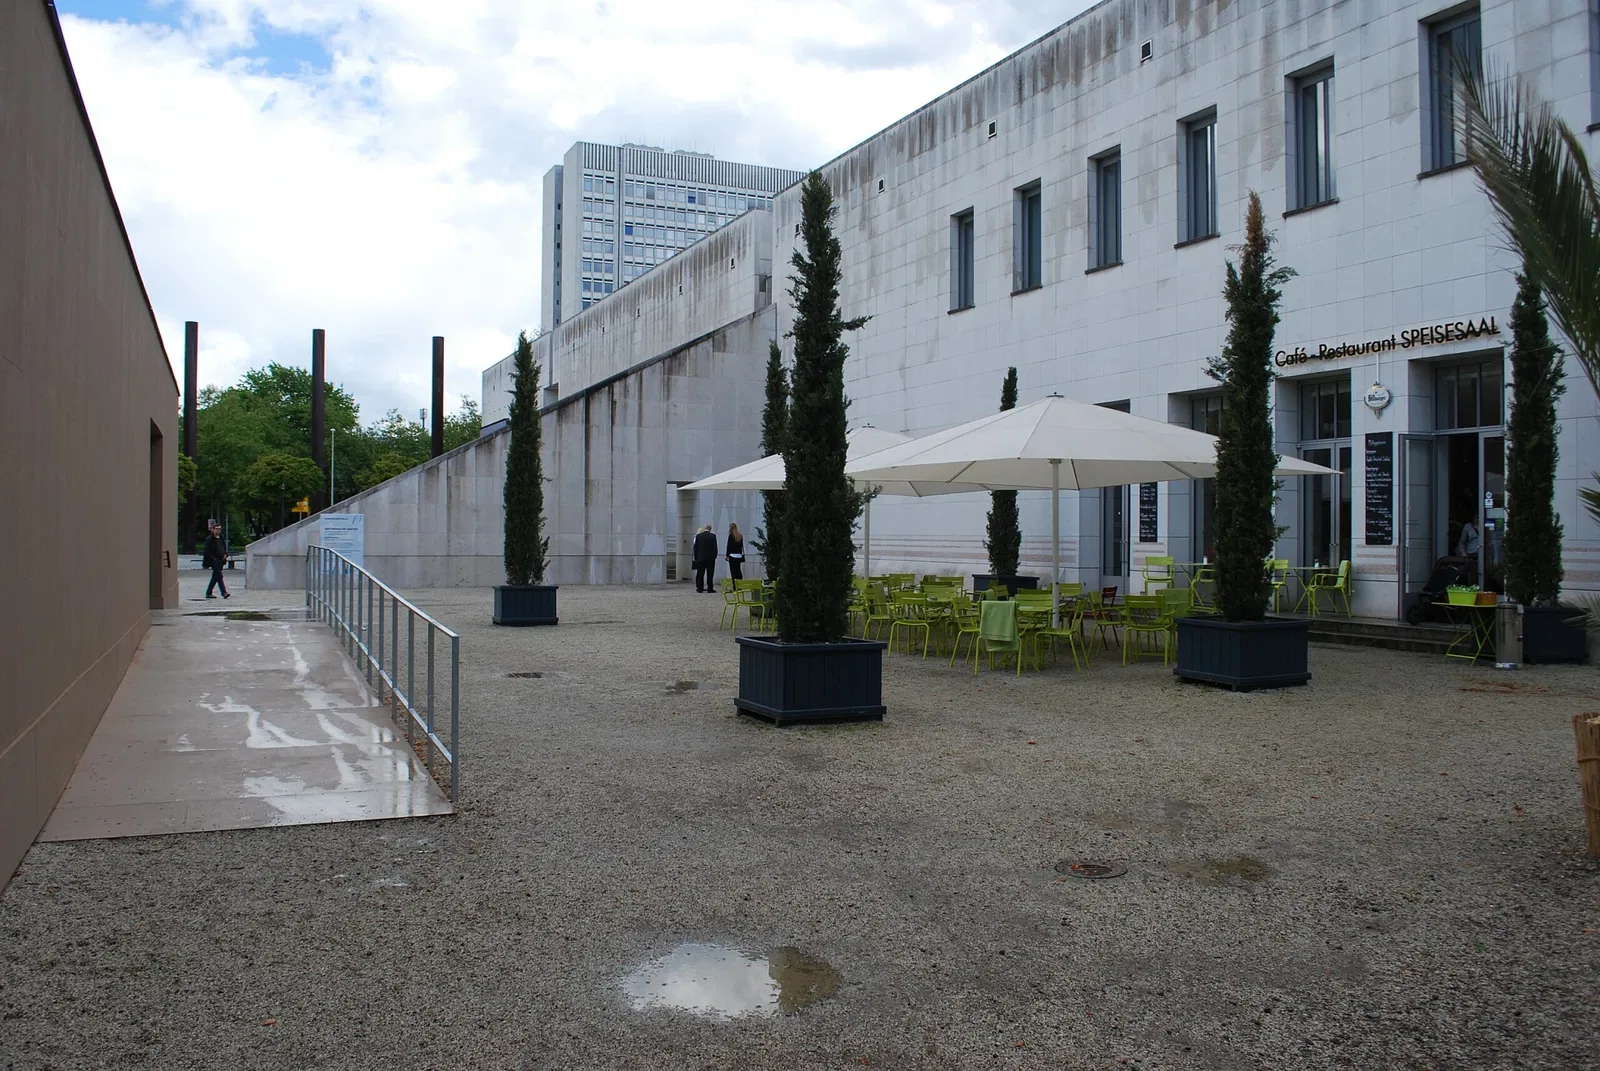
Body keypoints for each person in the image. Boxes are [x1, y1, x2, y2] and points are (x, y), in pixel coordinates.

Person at [203, 520, 231, 599]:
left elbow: (223, 547)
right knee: (219, 576)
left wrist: (225, 554)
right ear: (213, 529)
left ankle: (208, 592)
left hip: (221, 560)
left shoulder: (221, 538)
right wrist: (213, 558)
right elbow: (207, 550)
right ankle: (224, 592)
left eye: (219, 529)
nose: (218, 530)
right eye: (216, 528)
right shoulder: (210, 539)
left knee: (215, 577)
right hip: (214, 560)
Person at [692, 523, 718, 593]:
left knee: (700, 574)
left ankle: (700, 588)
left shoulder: (698, 536)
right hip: (710, 559)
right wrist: (714, 556)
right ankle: (710, 588)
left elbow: (696, 548)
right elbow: (715, 548)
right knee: (710, 574)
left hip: (701, 558)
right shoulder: (713, 536)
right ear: (710, 529)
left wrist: (696, 557)